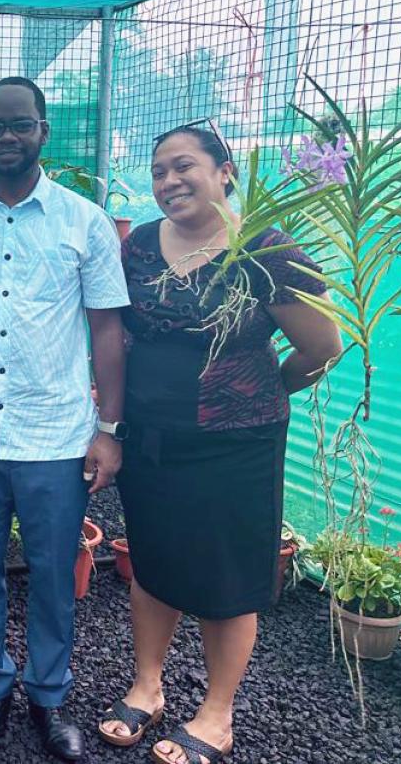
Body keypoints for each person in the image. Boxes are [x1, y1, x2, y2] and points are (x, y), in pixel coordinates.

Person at [98, 124, 341, 764]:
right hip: (151, 437)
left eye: (184, 167)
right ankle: (147, 685)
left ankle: (217, 713)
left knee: (224, 574)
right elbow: (118, 335)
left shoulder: (264, 247)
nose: (169, 182)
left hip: (237, 444)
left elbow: (321, 346)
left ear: (224, 171)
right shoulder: (142, 247)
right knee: (152, 560)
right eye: (158, 172)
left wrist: (267, 393)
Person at [0, 76, 129, 762]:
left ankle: (48, 695)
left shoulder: (84, 221)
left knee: (50, 572)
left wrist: (108, 427)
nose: (6, 138)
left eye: (20, 125)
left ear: (44, 131)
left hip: (56, 432)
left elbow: (106, 329)